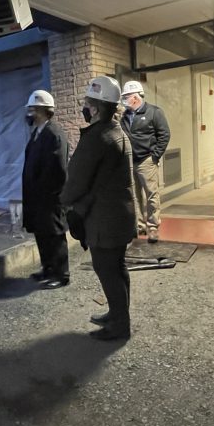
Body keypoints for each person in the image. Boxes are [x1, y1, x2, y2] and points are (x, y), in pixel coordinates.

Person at [61, 76, 138, 340]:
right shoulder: (118, 131)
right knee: (117, 269)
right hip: (120, 217)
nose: (84, 107)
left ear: (94, 108)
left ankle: (120, 325)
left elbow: (76, 180)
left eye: (86, 103)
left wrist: (62, 201)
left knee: (108, 271)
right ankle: (118, 314)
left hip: (105, 220)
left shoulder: (96, 137)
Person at [21, 89, 71, 289]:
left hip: (50, 199)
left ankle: (61, 275)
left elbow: (59, 170)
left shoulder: (54, 134)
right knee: (42, 234)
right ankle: (48, 269)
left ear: (42, 111)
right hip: (37, 199)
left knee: (54, 236)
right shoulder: (38, 132)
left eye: (32, 109)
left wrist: (48, 194)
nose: (29, 114)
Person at [120, 80, 170, 242]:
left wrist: (154, 156)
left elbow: (164, 135)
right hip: (129, 162)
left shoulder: (154, 112)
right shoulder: (125, 116)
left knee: (151, 194)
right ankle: (139, 226)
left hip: (146, 160)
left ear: (135, 97)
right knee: (135, 196)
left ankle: (153, 226)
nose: (124, 100)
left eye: (126, 96)